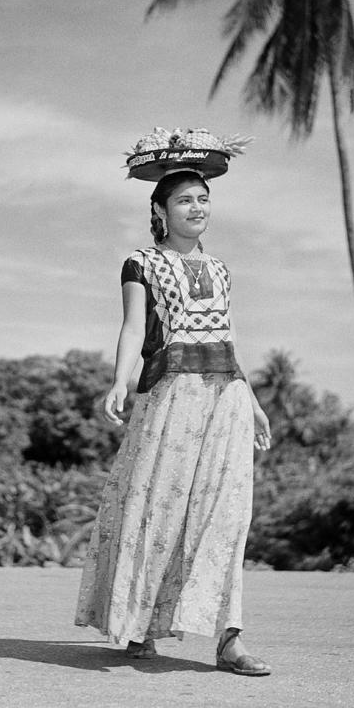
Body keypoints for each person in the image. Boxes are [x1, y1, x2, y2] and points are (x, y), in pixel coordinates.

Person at [74, 164, 272, 676]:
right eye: (185, 200)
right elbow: (133, 326)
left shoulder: (223, 269)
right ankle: (139, 627)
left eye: (203, 198)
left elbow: (227, 339)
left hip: (225, 394)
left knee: (228, 514)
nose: (197, 207)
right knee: (156, 508)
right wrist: (120, 380)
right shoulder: (140, 263)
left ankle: (230, 639)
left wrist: (251, 401)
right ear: (160, 210)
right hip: (171, 391)